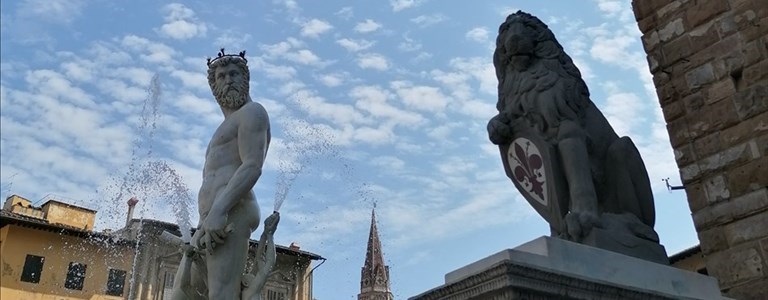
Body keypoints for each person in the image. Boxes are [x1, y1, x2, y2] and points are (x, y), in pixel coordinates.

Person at [187, 49, 271, 299]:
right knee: (188, 292)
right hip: (211, 217)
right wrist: (207, 217)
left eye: (234, 74)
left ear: (246, 79)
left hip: (231, 211)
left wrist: (220, 209)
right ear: (213, 86)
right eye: (221, 76)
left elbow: (252, 165)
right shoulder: (225, 126)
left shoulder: (253, 112)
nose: (228, 80)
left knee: (222, 294)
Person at [241, 212, 280, 300]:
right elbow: (270, 263)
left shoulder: (248, 292)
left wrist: (264, 234)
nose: (253, 274)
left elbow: (258, 257)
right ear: (245, 283)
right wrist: (270, 235)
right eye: (249, 275)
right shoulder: (251, 290)